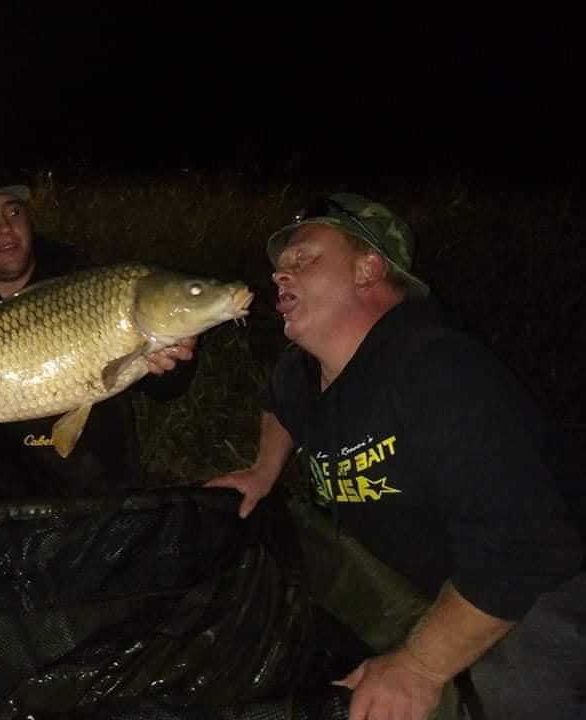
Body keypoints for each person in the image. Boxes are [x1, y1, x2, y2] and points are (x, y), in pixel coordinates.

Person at [207, 193, 585, 720]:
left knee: (514, 691)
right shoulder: (301, 371)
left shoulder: (438, 370)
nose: (278, 275)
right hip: (435, 584)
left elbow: (526, 549)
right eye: (279, 267)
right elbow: (279, 404)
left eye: (304, 258)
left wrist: (421, 667)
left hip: (548, 585)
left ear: (369, 269)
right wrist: (263, 470)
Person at [0, 163, 198, 504]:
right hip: (0, 470)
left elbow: (169, 388)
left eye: (13, 211)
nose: (4, 227)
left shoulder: (89, 279)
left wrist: (172, 361)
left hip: (92, 469)